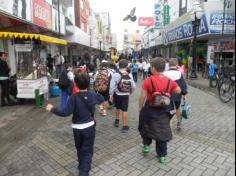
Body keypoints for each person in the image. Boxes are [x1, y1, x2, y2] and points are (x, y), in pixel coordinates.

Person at [46, 71, 104, 176]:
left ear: (75, 83)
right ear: (89, 83)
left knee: (79, 147)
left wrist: (52, 109)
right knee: (87, 151)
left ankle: (81, 165)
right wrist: (101, 108)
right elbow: (102, 99)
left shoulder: (73, 97)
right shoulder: (92, 95)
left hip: (77, 129)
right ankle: (83, 171)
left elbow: (65, 112)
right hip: (89, 128)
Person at [138, 58, 181, 164]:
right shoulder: (169, 80)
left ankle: (146, 146)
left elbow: (142, 97)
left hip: (150, 108)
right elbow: (178, 90)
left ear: (153, 68)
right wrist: (168, 94)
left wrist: (140, 108)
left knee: (146, 126)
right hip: (164, 109)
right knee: (161, 131)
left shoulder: (148, 80)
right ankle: (162, 156)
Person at [109, 59, 136, 132]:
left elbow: (112, 86)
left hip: (117, 94)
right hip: (126, 95)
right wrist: (130, 92)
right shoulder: (129, 75)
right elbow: (133, 86)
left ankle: (117, 121)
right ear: (127, 66)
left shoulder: (115, 74)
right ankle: (124, 126)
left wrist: (111, 95)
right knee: (125, 110)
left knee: (117, 107)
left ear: (119, 66)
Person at [164, 58, 188, 130]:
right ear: (177, 65)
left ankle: (169, 125)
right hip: (177, 94)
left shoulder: (165, 73)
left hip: (168, 95)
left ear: (169, 64)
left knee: (169, 109)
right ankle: (178, 123)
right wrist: (184, 94)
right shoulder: (179, 73)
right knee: (178, 108)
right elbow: (183, 85)